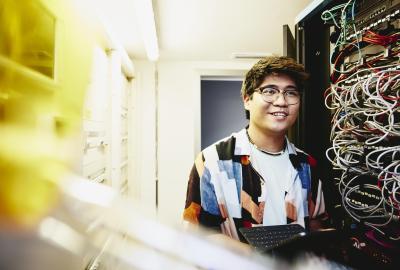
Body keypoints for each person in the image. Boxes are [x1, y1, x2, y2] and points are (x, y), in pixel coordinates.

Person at [183, 56, 327, 240]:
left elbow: (317, 225)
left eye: (291, 93)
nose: (281, 101)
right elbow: (197, 237)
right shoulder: (212, 162)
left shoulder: (307, 165)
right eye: (269, 91)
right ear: (247, 100)